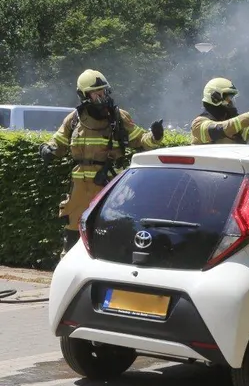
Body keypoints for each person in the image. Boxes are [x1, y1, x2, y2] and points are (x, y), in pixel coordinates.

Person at [39, 69, 165, 258]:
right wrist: (47, 149)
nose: (102, 96)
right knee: (73, 232)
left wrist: (155, 136)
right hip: (79, 187)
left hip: (108, 184)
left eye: (103, 91)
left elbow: (141, 140)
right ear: (84, 95)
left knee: (108, 229)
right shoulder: (74, 119)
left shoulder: (118, 117)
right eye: (96, 93)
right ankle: (68, 269)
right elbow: (58, 142)